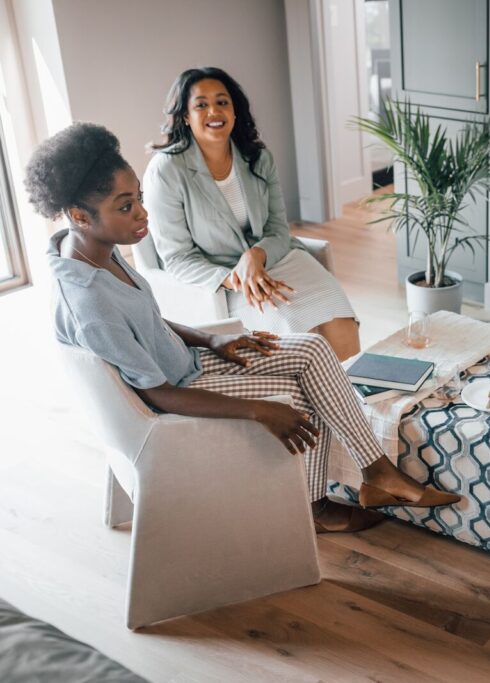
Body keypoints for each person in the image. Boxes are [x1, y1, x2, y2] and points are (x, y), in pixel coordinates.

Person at [27, 122, 460, 533]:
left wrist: (213, 338)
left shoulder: (92, 248)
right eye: (126, 207)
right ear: (78, 216)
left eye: (138, 197)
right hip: (175, 398)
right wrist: (260, 409)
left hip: (191, 363)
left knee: (311, 348)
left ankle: (376, 473)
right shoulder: (88, 300)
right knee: (299, 399)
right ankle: (313, 509)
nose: (143, 214)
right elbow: (156, 394)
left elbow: (147, 323)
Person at [144, 67, 360, 361]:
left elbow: (277, 228)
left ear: (234, 110)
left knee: (340, 320)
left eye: (222, 102)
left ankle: (356, 400)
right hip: (224, 279)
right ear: (185, 116)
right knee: (301, 340)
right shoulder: (166, 170)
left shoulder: (257, 157)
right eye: (201, 105)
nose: (214, 111)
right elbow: (178, 258)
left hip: (277, 259)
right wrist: (239, 278)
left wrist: (255, 257)